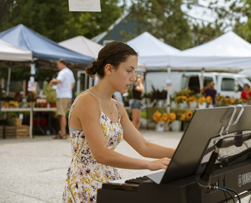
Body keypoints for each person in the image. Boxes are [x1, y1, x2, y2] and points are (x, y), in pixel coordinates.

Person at [62, 42, 174, 203]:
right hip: (85, 186)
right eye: (129, 70)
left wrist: (182, 154)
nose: (133, 77)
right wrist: (149, 165)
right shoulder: (87, 101)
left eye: (134, 71)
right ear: (109, 69)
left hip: (110, 181)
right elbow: (101, 154)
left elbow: (144, 146)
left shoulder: (116, 106)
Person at [49, 58, 75, 139]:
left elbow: (58, 81)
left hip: (62, 96)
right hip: (67, 95)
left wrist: (52, 81)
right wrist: (68, 90)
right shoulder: (70, 72)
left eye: (58, 64)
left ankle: (63, 133)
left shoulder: (62, 72)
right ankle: (63, 132)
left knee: (62, 114)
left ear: (62, 64)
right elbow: (73, 82)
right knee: (62, 114)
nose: (57, 66)